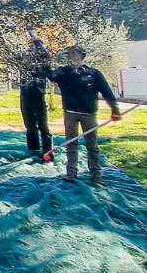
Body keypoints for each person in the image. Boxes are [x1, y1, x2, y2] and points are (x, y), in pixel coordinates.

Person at [40, 45, 122, 185]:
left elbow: (106, 92)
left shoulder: (93, 74)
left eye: (72, 53)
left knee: (92, 145)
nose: (69, 56)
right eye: (68, 54)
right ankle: (71, 173)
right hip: (70, 113)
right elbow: (50, 75)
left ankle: (96, 175)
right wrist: (43, 58)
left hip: (88, 114)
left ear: (80, 55)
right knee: (71, 144)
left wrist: (115, 110)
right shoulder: (63, 72)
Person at [16, 28, 53, 158]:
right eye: (30, 44)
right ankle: (33, 152)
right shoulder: (23, 58)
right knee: (30, 126)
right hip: (26, 94)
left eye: (34, 44)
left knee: (44, 126)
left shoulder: (43, 62)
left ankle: (48, 152)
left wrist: (35, 38)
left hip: (39, 94)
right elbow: (18, 58)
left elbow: (46, 55)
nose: (31, 46)